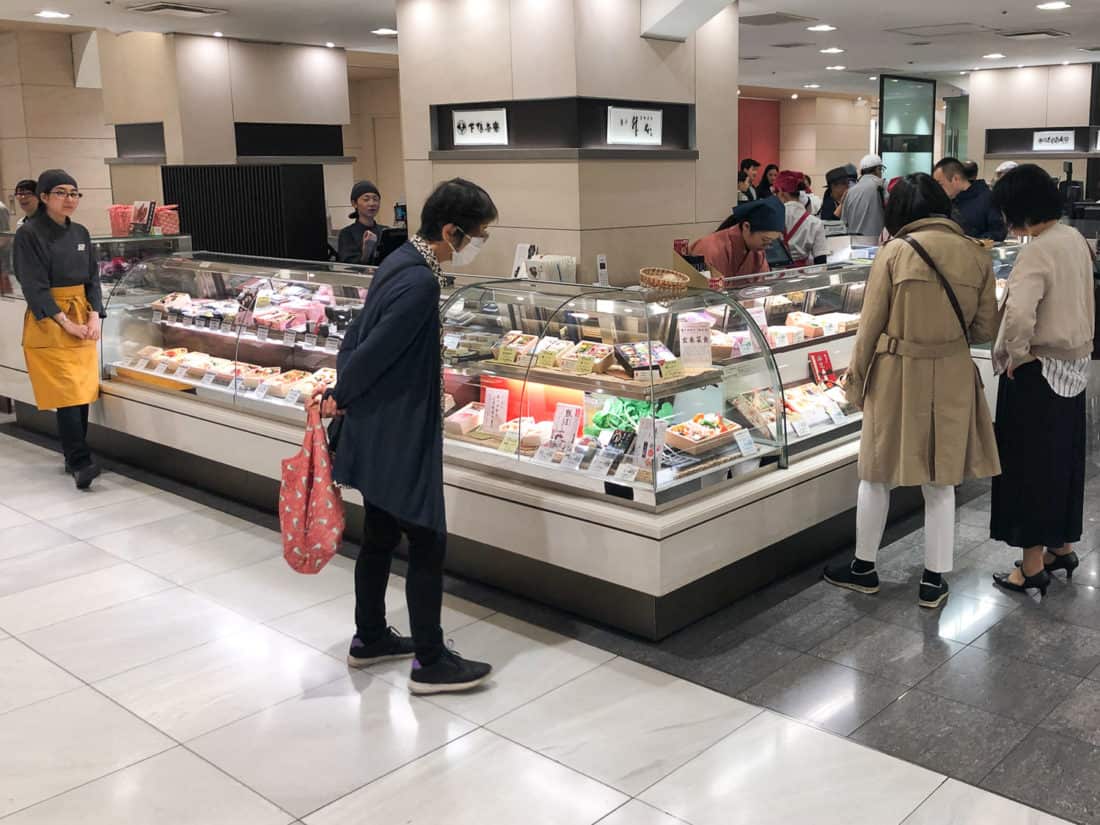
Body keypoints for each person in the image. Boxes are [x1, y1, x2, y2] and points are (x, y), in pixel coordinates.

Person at [316, 178, 497, 695]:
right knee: (427, 538)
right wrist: (343, 391)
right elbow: (375, 351)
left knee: (378, 532)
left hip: (376, 423)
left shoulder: (398, 261)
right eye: (478, 235)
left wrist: (344, 390)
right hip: (398, 428)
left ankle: (370, 636)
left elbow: (356, 338)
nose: (478, 244)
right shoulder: (420, 282)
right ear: (450, 230)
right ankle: (431, 661)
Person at [824, 173, 1000, 608]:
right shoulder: (977, 254)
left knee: (876, 473)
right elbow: (984, 328)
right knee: (941, 481)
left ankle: (864, 568)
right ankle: (933, 582)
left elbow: (870, 324)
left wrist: (854, 382)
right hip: (954, 373)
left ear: (899, 212)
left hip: (897, 373)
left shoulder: (895, 252)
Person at [989, 165, 1095, 597]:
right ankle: (1062, 546)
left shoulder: (1036, 250)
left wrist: (1014, 355)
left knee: (1026, 466)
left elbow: (1019, 314)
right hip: (1074, 367)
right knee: (1063, 462)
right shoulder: (1074, 240)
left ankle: (1030, 565)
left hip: (1036, 370)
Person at [12, 170, 105, 490]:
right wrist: (66, 323)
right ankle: (80, 461)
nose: (70, 199)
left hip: (81, 313)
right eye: (62, 193)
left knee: (80, 392)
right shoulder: (29, 234)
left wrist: (94, 317)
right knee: (67, 392)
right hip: (51, 320)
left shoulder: (80, 232)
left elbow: (93, 278)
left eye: (75, 194)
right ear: (44, 197)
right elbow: (33, 286)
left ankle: (73, 457)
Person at [689, 197, 784, 280]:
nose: (767, 246)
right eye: (765, 240)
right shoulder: (708, 249)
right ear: (746, 227)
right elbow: (698, 292)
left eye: (772, 241)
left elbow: (762, 286)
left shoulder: (758, 253)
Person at [932, 157, 1007, 242]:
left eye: (940, 184)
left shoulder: (987, 198)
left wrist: (973, 241)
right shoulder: (944, 201)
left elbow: (999, 233)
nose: (938, 189)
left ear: (955, 179)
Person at [774, 170, 828, 266]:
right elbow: (821, 261)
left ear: (782, 192)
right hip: (803, 275)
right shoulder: (815, 223)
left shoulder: (771, 218)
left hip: (775, 274)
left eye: (776, 192)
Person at [336, 180, 390, 266]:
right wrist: (366, 253)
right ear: (354, 204)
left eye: (375, 199)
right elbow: (348, 268)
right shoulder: (347, 233)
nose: (372, 203)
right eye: (366, 199)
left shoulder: (385, 231)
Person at [843, 154, 888, 238]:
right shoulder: (882, 185)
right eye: (881, 169)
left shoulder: (850, 191)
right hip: (876, 242)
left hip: (853, 242)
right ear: (877, 170)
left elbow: (844, 221)